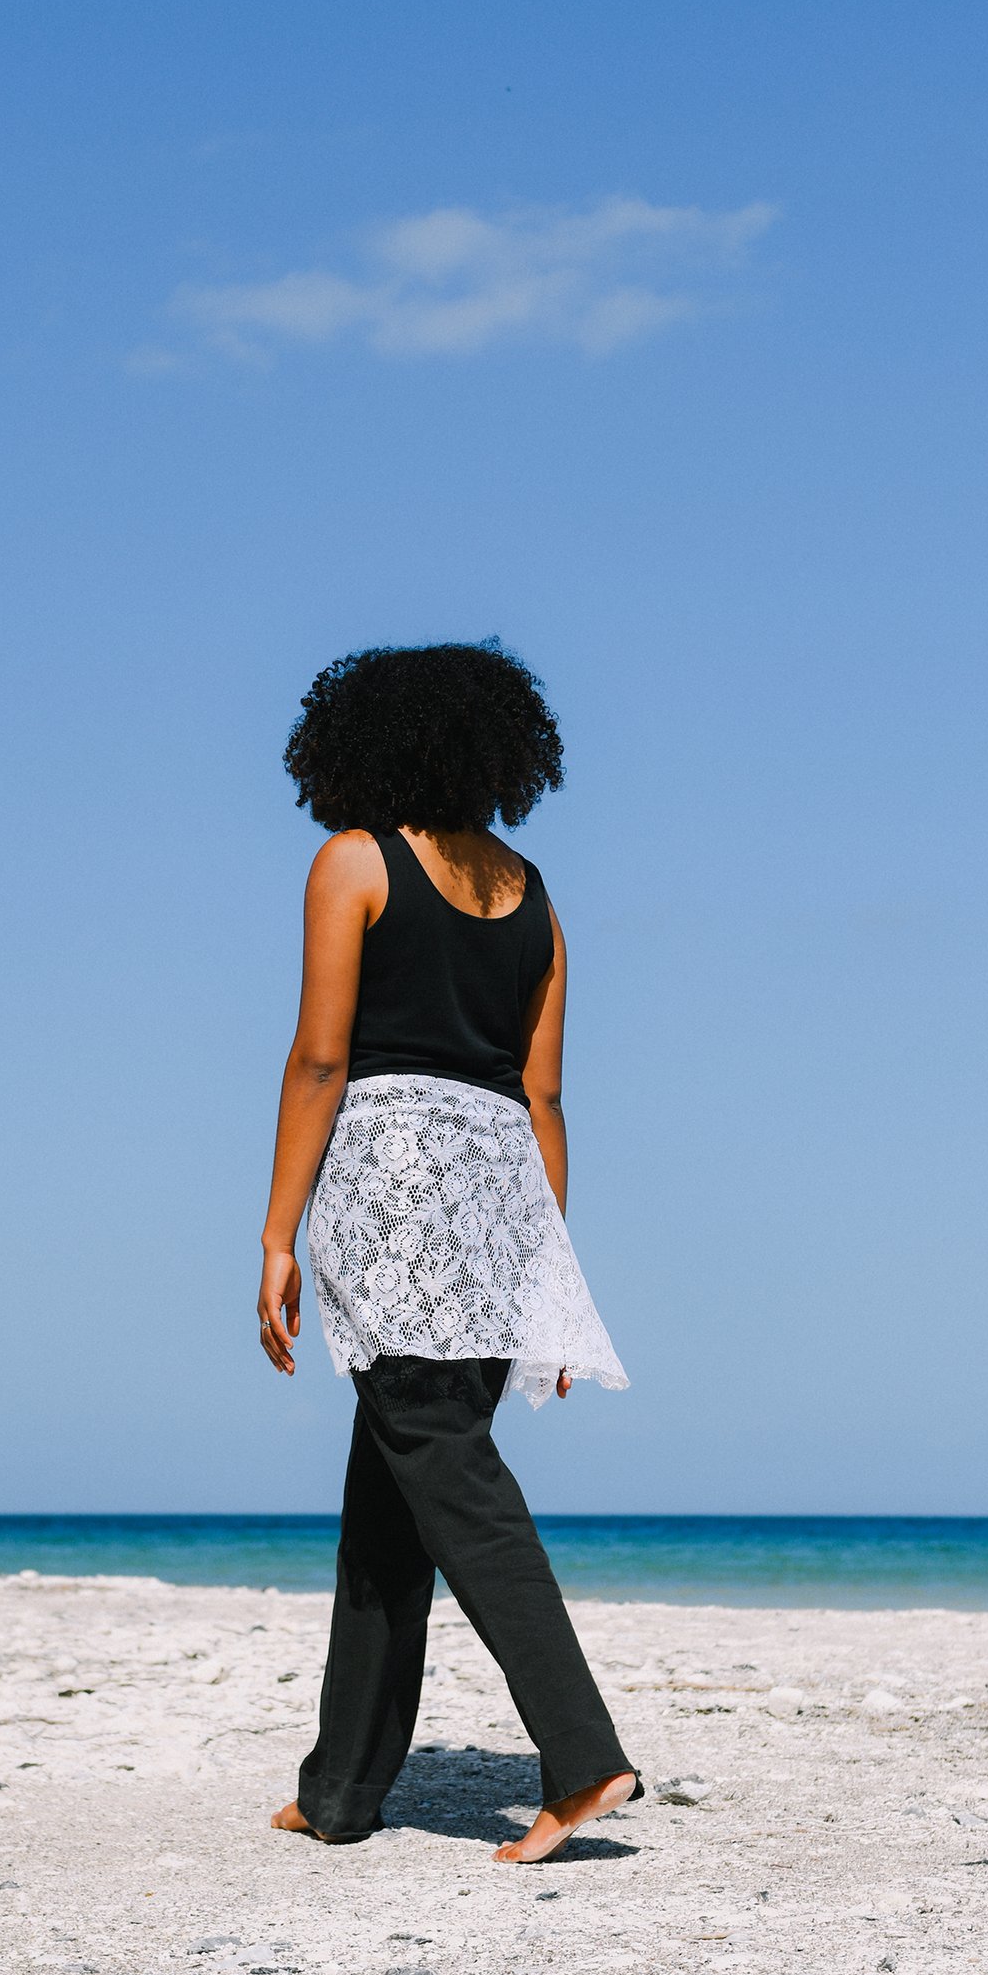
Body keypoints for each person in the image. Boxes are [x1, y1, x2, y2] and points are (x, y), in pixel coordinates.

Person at [255, 639, 641, 1866]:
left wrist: (277, 1231)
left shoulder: (352, 864)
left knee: (450, 1479)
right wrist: (547, 1274)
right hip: (500, 1206)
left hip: (392, 1192)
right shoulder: (534, 893)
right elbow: (547, 1101)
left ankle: (583, 1761)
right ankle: (342, 1790)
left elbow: (320, 1059)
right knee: (396, 1493)